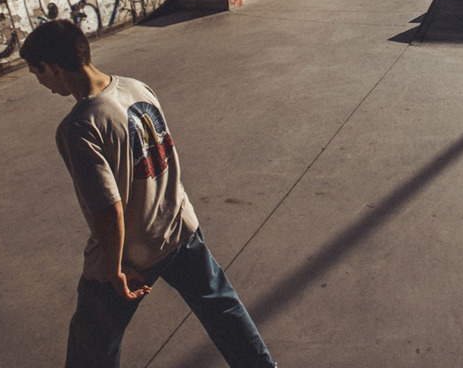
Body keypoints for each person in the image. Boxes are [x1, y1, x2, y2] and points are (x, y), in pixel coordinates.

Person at [20, 19, 277, 368]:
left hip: (131, 253)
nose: (42, 83)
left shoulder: (80, 126)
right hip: (178, 227)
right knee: (221, 307)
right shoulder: (136, 87)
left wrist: (113, 269)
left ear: (51, 67)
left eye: (37, 74)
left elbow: (108, 209)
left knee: (92, 344)